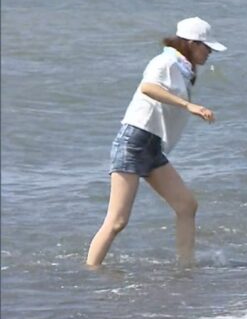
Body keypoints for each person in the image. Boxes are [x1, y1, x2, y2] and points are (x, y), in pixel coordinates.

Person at [86, 17, 226, 267]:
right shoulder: (165, 61)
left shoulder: (182, 68)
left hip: (152, 146)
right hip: (135, 141)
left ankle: (186, 266)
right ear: (192, 44)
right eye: (208, 47)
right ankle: (90, 271)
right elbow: (148, 87)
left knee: (186, 205)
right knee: (117, 221)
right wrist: (188, 105)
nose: (210, 53)